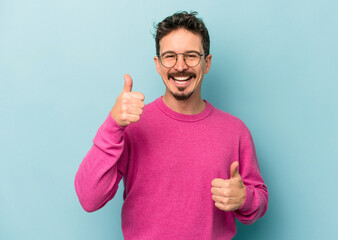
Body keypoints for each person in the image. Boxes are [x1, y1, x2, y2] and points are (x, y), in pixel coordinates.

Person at [75, 11, 268, 240]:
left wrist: (244, 198)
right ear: (158, 64)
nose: (180, 66)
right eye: (170, 56)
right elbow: (89, 198)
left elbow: (259, 200)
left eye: (191, 56)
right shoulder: (133, 126)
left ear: (206, 63)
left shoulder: (235, 131)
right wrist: (113, 124)